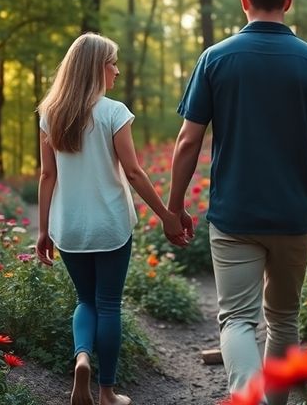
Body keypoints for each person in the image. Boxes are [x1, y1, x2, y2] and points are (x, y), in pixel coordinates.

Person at [166, 0, 307, 405]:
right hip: (294, 216)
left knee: (236, 319)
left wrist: (174, 207)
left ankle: (245, 397)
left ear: (244, 0)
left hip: (234, 215)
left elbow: (188, 140)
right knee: (284, 319)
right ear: (288, 2)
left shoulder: (215, 59)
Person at [35, 33, 191, 405]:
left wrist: (43, 230)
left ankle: (82, 358)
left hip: (69, 227)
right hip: (110, 225)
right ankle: (106, 391)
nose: (117, 71)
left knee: (85, 301)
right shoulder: (113, 112)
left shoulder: (50, 114)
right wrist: (167, 216)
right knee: (108, 304)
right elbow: (133, 172)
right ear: (96, 68)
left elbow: (47, 175)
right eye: (112, 63)